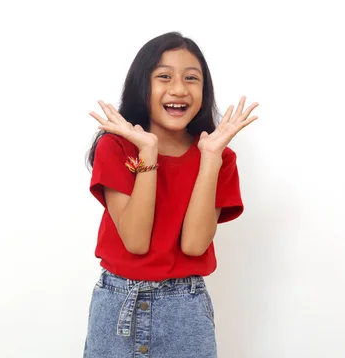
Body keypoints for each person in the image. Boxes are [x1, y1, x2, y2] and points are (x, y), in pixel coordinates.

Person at [83, 32, 258, 358]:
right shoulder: (116, 147)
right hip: (119, 302)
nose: (179, 88)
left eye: (192, 78)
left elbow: (194, 245)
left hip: (186, 308)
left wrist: (210, 158)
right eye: (164, 76)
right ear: (141, 85)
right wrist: (147, 152)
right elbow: (135, 241)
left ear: (203, 91)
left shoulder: (219, 157)